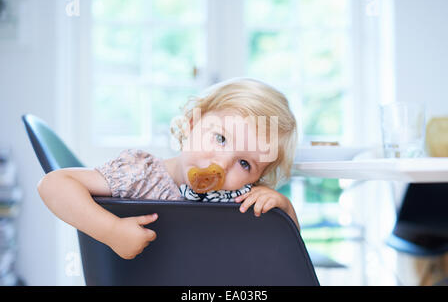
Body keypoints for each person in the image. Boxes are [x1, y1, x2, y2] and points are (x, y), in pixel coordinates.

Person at [37, 78, 300, 260]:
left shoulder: (243, 197)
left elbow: (286, 253)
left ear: (258, 176)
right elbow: (54, 184)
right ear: (192, 124)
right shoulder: (141, 174)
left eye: (244, 164)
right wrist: (111, 231)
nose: (221, 164)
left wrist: (284, 209)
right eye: (220, 138)